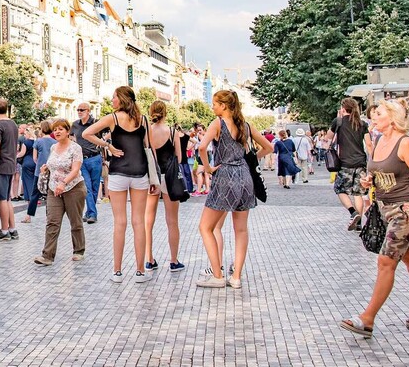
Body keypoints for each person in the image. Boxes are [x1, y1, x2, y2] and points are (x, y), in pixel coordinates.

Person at [339, 100, 409, 338]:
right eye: (372, 115)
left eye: (378, 114)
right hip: (385, 209)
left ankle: (367, 318)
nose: (373, 118)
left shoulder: (405, 143)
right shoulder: (377, 141)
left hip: (406, 210)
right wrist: (368, 181)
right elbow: (377, 174)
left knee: (386, 262)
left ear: (393, 117)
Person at [195, 90, 273, 289]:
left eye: (214, 103)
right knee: (241, 230)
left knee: (206, 227)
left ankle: (217, 274)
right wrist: (252, 160)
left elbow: (202, 147)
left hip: (225, 176)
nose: (212, 107)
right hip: (245, 177)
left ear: (224, 106)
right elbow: (268, 147)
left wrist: (208, 167)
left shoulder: (218, 124)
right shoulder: (245, 126)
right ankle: (236, 276)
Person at [83, 86, 158, 284]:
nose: (112, 100)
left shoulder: (113, 118)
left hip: (118, 173)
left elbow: (87, 134)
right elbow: (149, 148)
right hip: (140, 172)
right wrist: (154, 178)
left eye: (114, 97)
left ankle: (117, 271)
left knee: (120, 223)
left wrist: (108, 146)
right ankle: (140, 271)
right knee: (138, 222)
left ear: (121, 99)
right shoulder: (143, 120)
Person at [34, 118, 86, 266]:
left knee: (75, 221)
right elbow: (54, 165)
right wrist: (46, 168)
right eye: (55, 129)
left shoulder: (75, 148)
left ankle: (79, 250)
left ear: (67, 131)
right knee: (52, 222)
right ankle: (47, 256)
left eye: (60, 129)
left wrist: (64, 183)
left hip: (73, 188)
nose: (57, 131)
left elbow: (75, 170)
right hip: (54, 189)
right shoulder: (53, 148)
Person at [143, 101, 185, 273]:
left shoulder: (147, 131)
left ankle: (149, 259)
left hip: (151, 177)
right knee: (172, 221)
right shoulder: (173, 131)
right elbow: (180, 158)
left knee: (147, 221)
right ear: (165, 112)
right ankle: (174, 261)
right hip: (169, 177)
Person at [325, 98, 372, 230]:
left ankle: (353, 212)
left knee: (340, 189)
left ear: (343, 108)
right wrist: (373, 160)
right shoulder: (362, 124)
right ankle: (358, 223)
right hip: (361, 162)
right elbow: (369, 144)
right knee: (358, 193)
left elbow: (328, 137)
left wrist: (337, 118)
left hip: (345, 162)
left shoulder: (338, 122)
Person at [0, 98, 19, 241]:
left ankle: (4, 230)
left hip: (1, 164)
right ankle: (12, 228)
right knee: (7, 198)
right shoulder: (13, 124)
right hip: (11, 163)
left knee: (2, 199)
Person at [72, 102, 104, 224]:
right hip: (82, 159)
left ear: (88, 111)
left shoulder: (96, 123)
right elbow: (71, 138)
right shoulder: (75, 125)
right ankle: (93, 214)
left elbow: (109, 131)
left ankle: (89, 212)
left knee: (95, 187)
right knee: (87, 188)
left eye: (82, 110)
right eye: (78, 110)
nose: (79, 112)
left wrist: (102, 141)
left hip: (95, 158)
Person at [26, 120, 56, 223]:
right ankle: (50, 216)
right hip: (52, 170)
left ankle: (29, 216)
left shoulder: (38, 141)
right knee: (50, 194)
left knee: (35, 193)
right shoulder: (55, 142)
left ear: (42, 129)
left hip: (39, 170)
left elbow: (34, 158)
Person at [18, 126, 36, 206]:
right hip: (34, 162)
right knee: (33, 181)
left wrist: (16, 156)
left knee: (27, 181)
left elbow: (22, 153)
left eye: (25, 134)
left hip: (27, 162)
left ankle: (29, 198)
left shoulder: (26, 142)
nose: (24, 136)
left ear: (28, 134)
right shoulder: (36, 142)